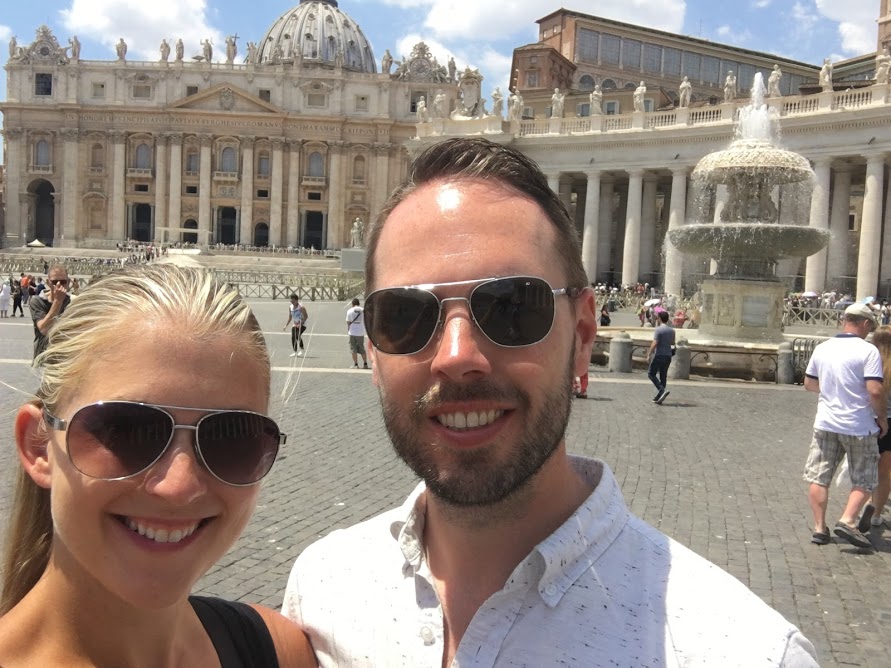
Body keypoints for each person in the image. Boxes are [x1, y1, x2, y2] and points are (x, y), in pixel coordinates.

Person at [281, 137, 817, 667]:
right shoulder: (321, 592)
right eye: (404, 316)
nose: (457, 356)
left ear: (583, 335)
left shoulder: (748, 653)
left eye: (513, 307)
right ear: (373, 352)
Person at [0, 264, 314, 666]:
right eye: (127, 431)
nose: (178, 486)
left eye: (231, 436)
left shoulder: (282, 652)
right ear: (38, 446)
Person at [803, 303, 887, 549]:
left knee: (819, 476)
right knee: (865, 478)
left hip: (826, 422)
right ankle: (848, 519)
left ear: (844, 321)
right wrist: (881, 418)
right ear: (865, 324)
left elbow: (809, 383)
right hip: (858, 425)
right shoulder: (868, 351)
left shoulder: (823, 348)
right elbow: (874, 389)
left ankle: (819, 528)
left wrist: (833, 391)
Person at [857, 324, 891, 532]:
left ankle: (859, 507)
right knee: (885, 471)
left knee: (863, 466)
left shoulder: (868, 362)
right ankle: (877, 514)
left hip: (868, 419)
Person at [30, 264, 72, 360]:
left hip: (66, 359)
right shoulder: (37, 301)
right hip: (44, 357)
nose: (58, 285)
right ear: (48, 283)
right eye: (54, 282)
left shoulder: (73, 302)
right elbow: (44, 329)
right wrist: (58, 301)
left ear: (68, 282)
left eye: (63, 281)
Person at [648, 310, 675, 404]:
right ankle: (660, 396)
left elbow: (655, 342)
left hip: (659, 355)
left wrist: (649, 353)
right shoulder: (672, 331)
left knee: (651, 374)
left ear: (659, 319)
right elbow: (673, 343)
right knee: (663, 376)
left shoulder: (658, 330)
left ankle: (661, 390)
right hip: (668, 356)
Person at [346, 298, 369, 369]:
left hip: (352, 332)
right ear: (358, 304)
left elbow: (348, 322)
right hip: (361, 332)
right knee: (362, 348)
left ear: (352, 304)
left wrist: (348, 329)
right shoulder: (363, 310)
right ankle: (365, 364)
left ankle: (356, 365)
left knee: (353, 349)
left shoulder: (349, 311)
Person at [283, 293, 308, 357]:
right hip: (295, 324)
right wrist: (286, 325)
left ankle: (302, 350)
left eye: (293, 301)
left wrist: (300, 324)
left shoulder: (301, 308)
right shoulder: (290, 307)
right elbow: (290, 317)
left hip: (303, 324)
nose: (292, 302)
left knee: (297, 335)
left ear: (296, 300)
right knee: (293, 337)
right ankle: (295, 352)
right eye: (291, 301)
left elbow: (306, 316)